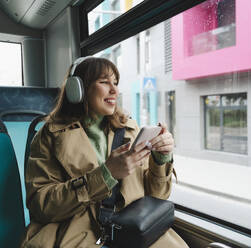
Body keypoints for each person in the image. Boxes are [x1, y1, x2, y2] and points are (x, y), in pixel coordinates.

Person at [20, 57, 188, 248]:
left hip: (133, 228)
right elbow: (41, 206)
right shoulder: (49, 136)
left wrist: (161, 158)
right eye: (104, 82)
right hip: (76, 230)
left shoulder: (130, 129)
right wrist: (105, 175)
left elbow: (155, 197)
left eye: (115, 83)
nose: (114, 90)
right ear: (78, 89)